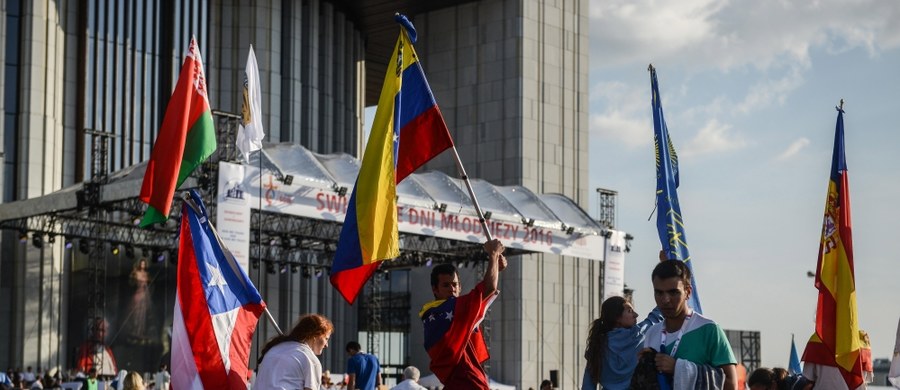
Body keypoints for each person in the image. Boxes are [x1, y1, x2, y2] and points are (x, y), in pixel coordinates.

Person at [419, 239, 507, 389]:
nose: (452, 289)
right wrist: (493, 254)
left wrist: (495, 268)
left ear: (460, 286)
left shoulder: (442, 313)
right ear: (435, 289)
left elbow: (483, 297)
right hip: (469, 383)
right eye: (446, 285)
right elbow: (488, 288)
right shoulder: (448, 310)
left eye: (455, 285)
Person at [641, 260, 738, 389]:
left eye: (673, 292)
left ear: (688, 292)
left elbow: (731, 384)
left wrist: (678, 368)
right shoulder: (652, 333)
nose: (665, 300)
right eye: (659, 293)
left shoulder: (709, 330)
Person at [581, 296, 663, 390]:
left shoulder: (597, 345)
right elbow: (656, 317)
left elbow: (588, 384)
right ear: (617, 318)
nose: (636, 314)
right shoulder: (637, 335)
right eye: (630, 311)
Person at [255, 314, 334, 390]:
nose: (326, 345)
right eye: (326, 339)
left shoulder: (273, 349)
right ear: (315, 336)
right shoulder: (310, 359)